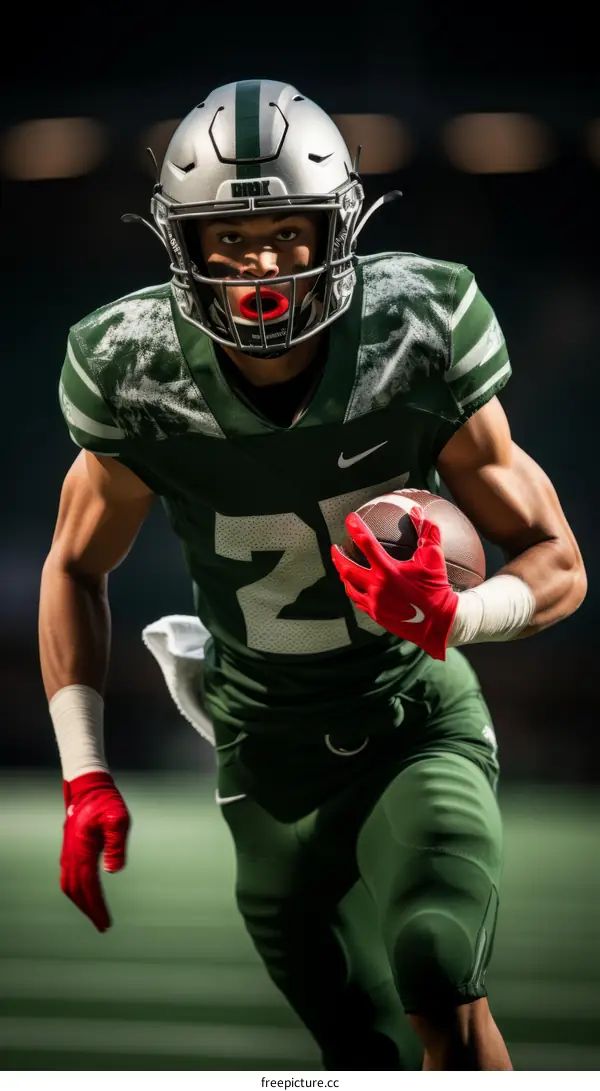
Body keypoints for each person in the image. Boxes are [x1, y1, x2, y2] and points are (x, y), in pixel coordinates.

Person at [39, 79, 586, 1072]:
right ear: (183, 247)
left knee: (438, 973)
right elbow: (76, 564)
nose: (262, 268)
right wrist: (83, 771)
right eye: (231, 240)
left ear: (340, 224)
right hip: (264, 755)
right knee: (351, 1044)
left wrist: (455, 614)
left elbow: (558, 561)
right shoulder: (133, 365)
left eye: (288, 232)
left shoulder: (416, 327)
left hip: (410, 718)